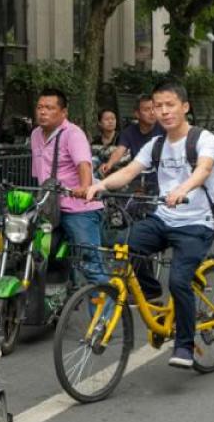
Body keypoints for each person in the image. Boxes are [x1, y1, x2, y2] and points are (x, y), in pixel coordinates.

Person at [78, 82, 214, 370]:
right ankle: (146, 294)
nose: (163, 111)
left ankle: (185, 345)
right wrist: (99, 185)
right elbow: (129, 171)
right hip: (163, 218)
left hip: (195, 223)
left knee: (178, 281)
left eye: (170, 105)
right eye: (158, 106)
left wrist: (183, 189)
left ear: (185, 107)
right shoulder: (156, 145)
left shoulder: (203, 139)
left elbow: (203, 169)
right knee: (122, 246)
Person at [29, 89, 104, 286]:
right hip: (48, 208)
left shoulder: (73, 134)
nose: (43, 112)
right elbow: (40, 175)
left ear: (63, 112)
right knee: (40, 256)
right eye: (40, 107)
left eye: (49, 108)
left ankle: (106, 315)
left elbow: (84, 165)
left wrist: (85, 187)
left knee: (90, 265)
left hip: (78, 209)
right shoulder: (36, 135)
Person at [107, 94, 164, 184]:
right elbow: (119, 151)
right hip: (138, 178)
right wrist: (109, 165)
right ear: (137, 114)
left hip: (162, 179)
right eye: (146, 109)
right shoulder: (128, 132)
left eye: (154, 108)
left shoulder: (165, 129)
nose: (152, 112)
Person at [91, 109, 121, 177]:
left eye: (113, 119)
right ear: (99, 123)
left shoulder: (122, 139)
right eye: (107, 119)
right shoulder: (95, 142)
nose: (110, 121)